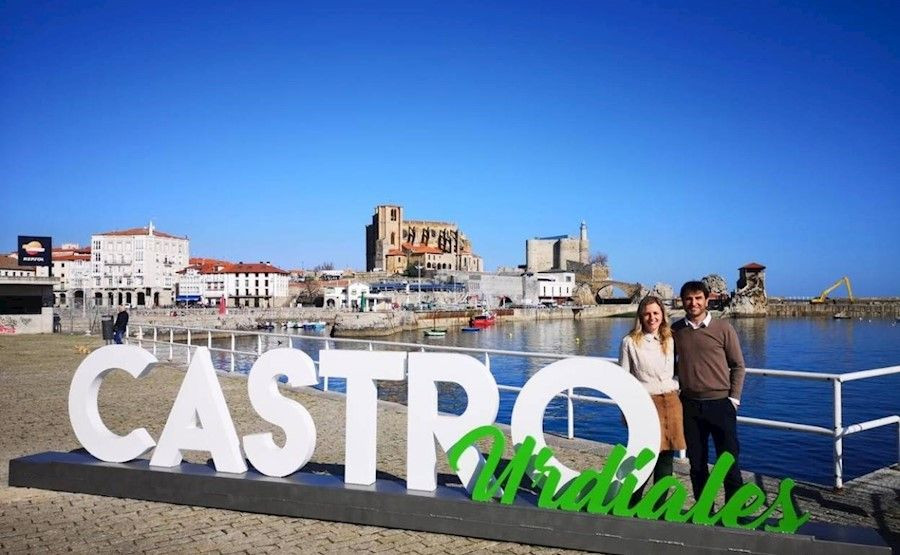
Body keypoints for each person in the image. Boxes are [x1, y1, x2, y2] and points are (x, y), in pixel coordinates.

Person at [672, 281, 746, 502]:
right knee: (697, 464)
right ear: (683, 301)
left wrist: (733, 399)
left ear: (706, 300)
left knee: (729, 462)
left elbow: (738, 366)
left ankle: (736, 512)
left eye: (698, 298)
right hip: (689, 406)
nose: (693, 303)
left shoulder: (723, 328)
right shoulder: (676, 331)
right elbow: (670, 365)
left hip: (721, 404)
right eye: (688, 299)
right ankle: (704, 510)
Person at [618, 295, 685, 498]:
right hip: (645, 404)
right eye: (647, 314)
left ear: (662, 315)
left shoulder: (670, 339)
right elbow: (624, 379)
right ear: (640, 316)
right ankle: (631, 500)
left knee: (666, 458)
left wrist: (677, 385)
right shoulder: (629, 342)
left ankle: (659, 504)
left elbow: (681, 368)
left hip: (670, 402)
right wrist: (625, 410)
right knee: (643, 457)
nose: (652, 317)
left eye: (656, 313)